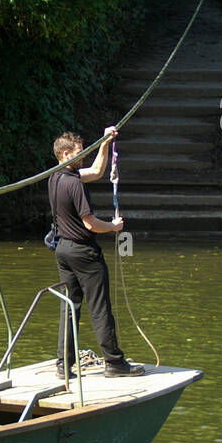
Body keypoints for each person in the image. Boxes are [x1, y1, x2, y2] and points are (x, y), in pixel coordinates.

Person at [48, 126, 144, 378]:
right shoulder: (74, 184)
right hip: (83, 253)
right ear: (67, 154)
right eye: (81, 152)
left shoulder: (56, 177)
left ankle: (63, 365)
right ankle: (114, 363)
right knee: (100, 308)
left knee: (69, 307)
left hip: (63, 251)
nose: (84, 155)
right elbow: (89, 222)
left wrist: (104, 143)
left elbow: (98, 172)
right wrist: (113, 227)